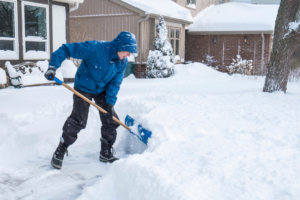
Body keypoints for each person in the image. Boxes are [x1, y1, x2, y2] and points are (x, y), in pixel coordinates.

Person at [44, 31, 137, 169]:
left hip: (102, 90)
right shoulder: (95, 48)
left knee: (110, 119)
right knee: (78, 120)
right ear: (120, 46)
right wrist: (52, 67)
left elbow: (115, 83)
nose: (129, 55)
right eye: (128, 51)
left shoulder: (122, 62)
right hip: (84, 87)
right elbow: (66, 49)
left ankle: (105, 152)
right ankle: (61, 149)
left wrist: (110, 104)